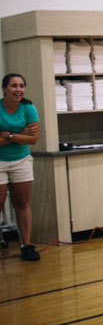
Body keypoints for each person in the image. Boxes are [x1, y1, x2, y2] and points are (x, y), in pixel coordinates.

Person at [0, 74, 41, 261]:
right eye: (14, 86)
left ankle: (26, 245)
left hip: (21, 160)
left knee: (22, 203)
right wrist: (20, 134)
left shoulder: (28, 108)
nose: (18, 89)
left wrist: (9, 136)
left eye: (22, 86)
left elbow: (33, 139)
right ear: (4, 89)